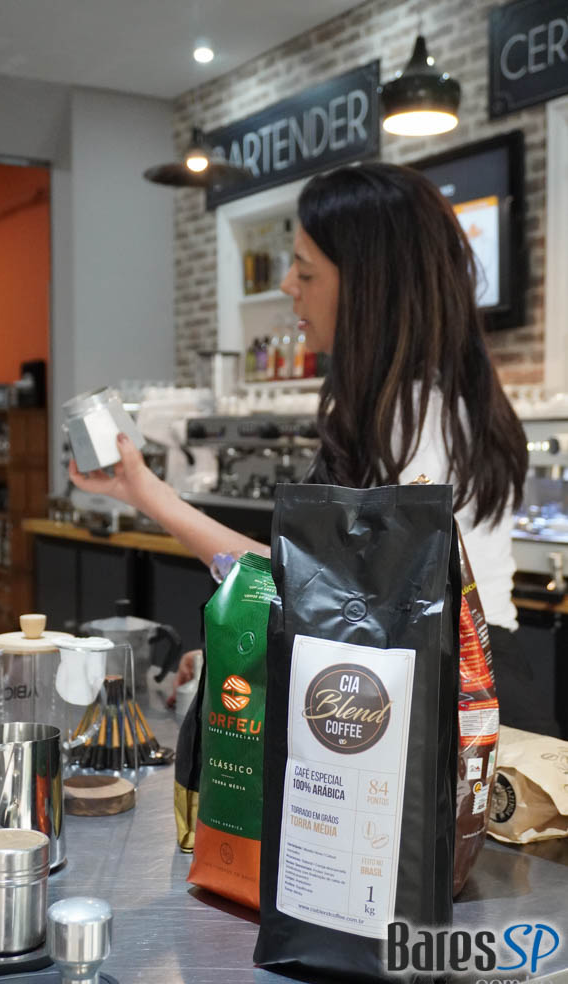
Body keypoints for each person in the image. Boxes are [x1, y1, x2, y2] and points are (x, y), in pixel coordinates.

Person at [71, 162, 541, 729]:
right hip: (476, 685)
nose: (288, 285)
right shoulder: (453, 403)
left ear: (370, 287)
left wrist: (146, 492)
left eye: (307, 271)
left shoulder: (408, 420)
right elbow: (342, 597)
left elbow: (320, 596)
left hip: (442, 707)